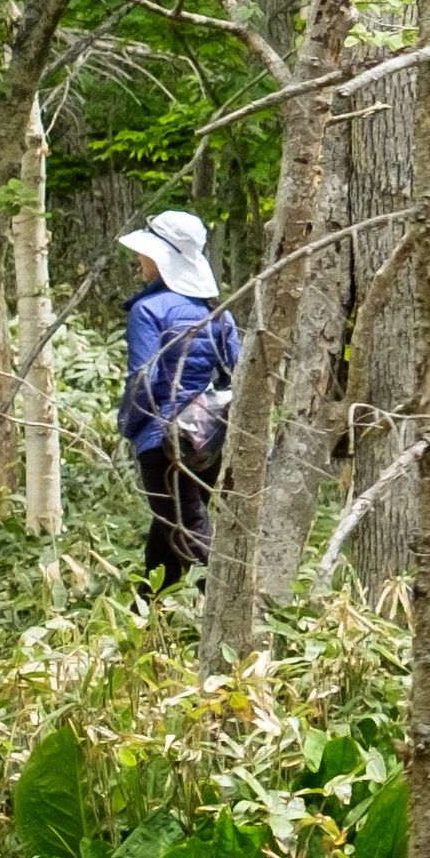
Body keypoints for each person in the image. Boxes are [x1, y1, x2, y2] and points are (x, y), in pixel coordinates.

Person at [118, 211, 241, 590]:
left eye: (145, 253)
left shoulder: (148, 310)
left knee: (189, 530)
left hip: (163, 440)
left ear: (161, 259)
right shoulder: (218, 314)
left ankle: (234, 605)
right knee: (170, 526)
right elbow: (236, 373)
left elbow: (144, 377)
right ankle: (146, 612)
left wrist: (128, 424)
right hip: (207, 442)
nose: (140, 259)